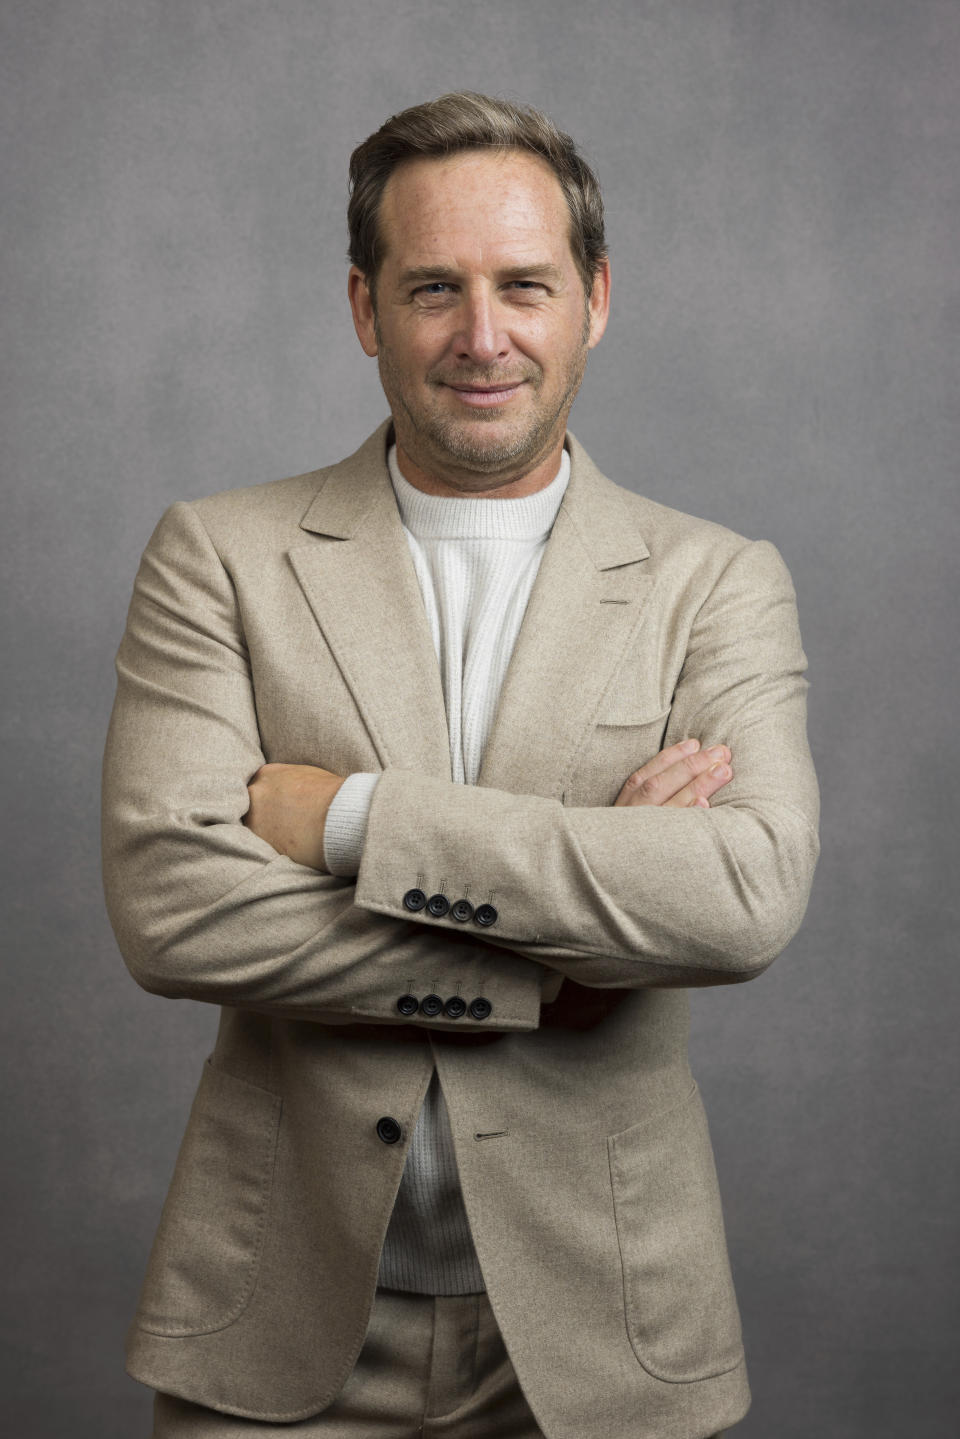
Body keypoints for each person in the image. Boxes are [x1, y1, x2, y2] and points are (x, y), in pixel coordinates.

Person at [102, 92, 819, 1439]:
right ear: (367, 310)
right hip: (278, 1315)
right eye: (434, 288)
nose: (482, 337)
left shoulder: (716, 583)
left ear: (593, 299)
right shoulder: (218, 555)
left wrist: (349, 819)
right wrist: (554, 970)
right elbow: (170, 907)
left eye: (524, 286)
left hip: (609, 1327)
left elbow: (744, 895)